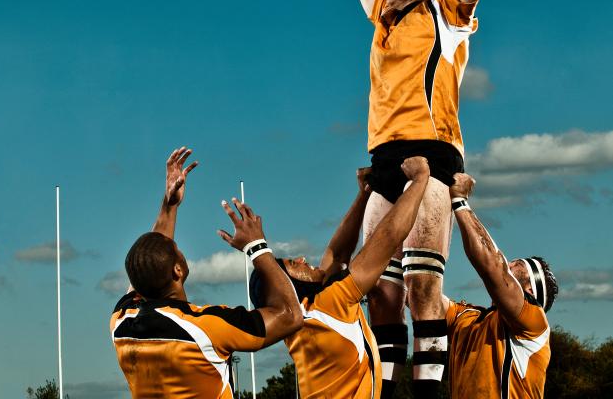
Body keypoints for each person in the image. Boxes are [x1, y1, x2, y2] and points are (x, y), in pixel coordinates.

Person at [336, 0, 485, 398]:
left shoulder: (448, 15)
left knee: (424, 286)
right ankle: (385, 389)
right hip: (384, 156)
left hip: (433, 153)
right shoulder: (383, 13)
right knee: (377, 288)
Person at [110, 147, 302, 398]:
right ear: (178, 270)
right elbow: (290, 316)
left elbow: (148, 263)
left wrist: (170, 205)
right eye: (176, 248)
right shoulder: (206, 328)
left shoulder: (121, 323)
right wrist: (257, 247)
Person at [249, 157, 432, 399]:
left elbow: (336, 255)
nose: (303, 259)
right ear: (287, 287)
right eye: (294, 264)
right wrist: (420, 180)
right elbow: (388, 237)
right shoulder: (329, 306)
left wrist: (365, 193)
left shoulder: (303, 316)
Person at [442, 173, 556, 398]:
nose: (509, 263)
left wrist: (459, 201)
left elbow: (493, 268)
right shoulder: (468, 318)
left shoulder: (534, 325)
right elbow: (421, 293)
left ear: (530, 292)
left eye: (516, 267)